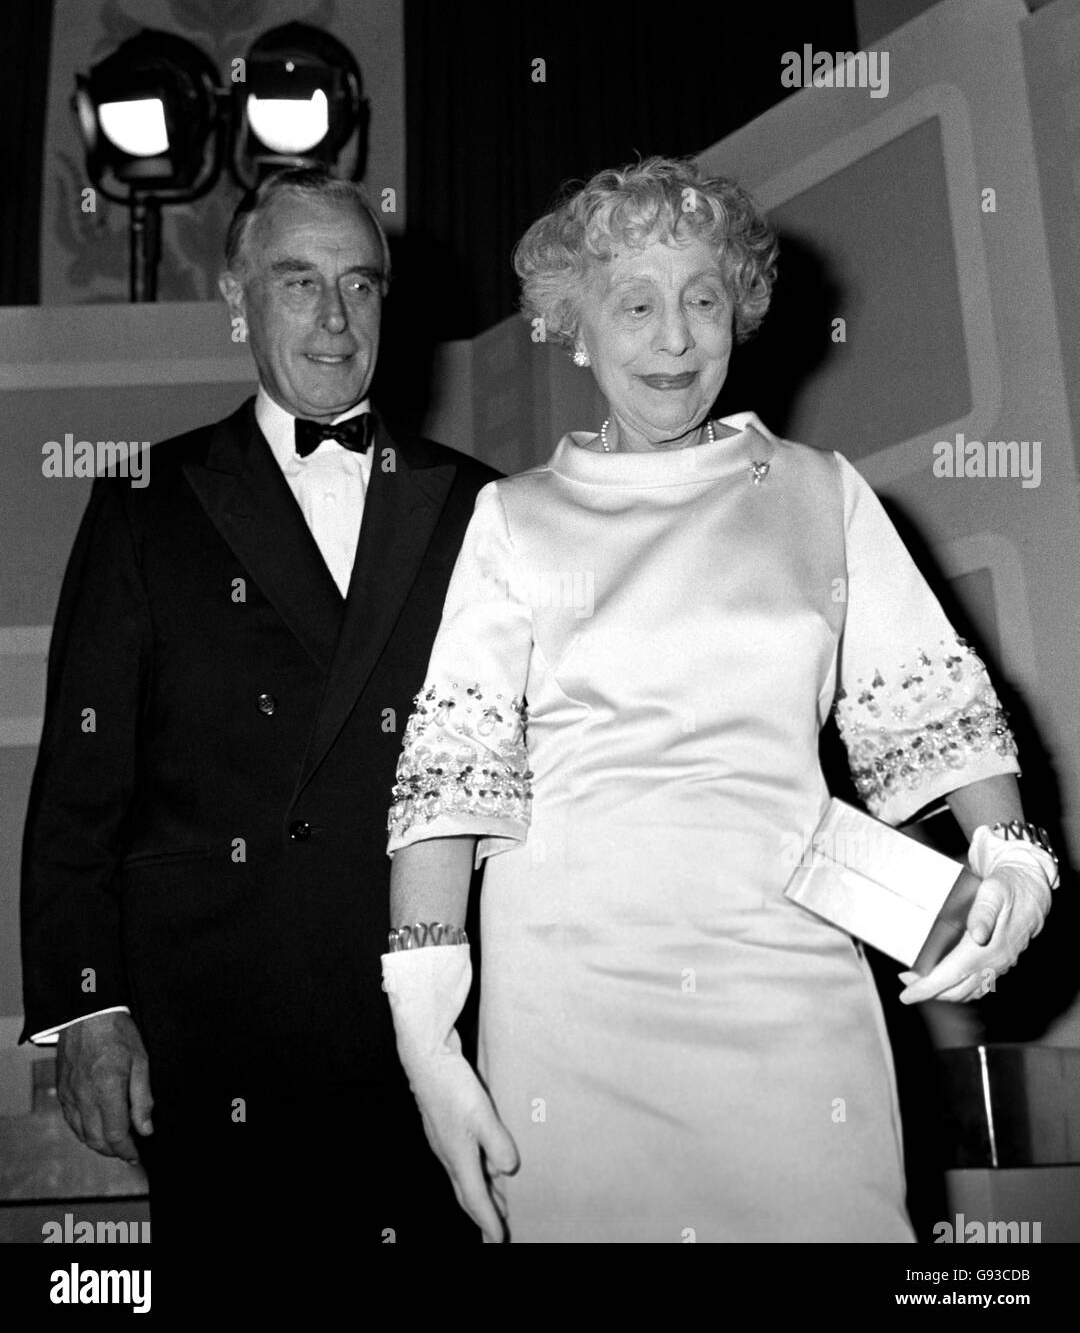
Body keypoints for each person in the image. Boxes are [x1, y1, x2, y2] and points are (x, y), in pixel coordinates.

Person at [379, 156, 1059, 1244]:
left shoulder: (817, 492)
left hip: (792, 984)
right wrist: (425, 1032)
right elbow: (451, 780)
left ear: (739, 313)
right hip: (572, 1000)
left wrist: (1013, 859)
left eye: (702, 299)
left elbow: (935, 711)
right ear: (578, 329)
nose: (675, 338)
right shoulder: (514, 520)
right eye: (635, 305)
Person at [20, 168, 496, 1248]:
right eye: (298, 283)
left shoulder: (483, 504)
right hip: (220, 1036)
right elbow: (82, 789)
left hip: (444, 1025)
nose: (334, 318)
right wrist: (89, 1010)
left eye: (360, 286)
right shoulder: (145, 501)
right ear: (236, 301)